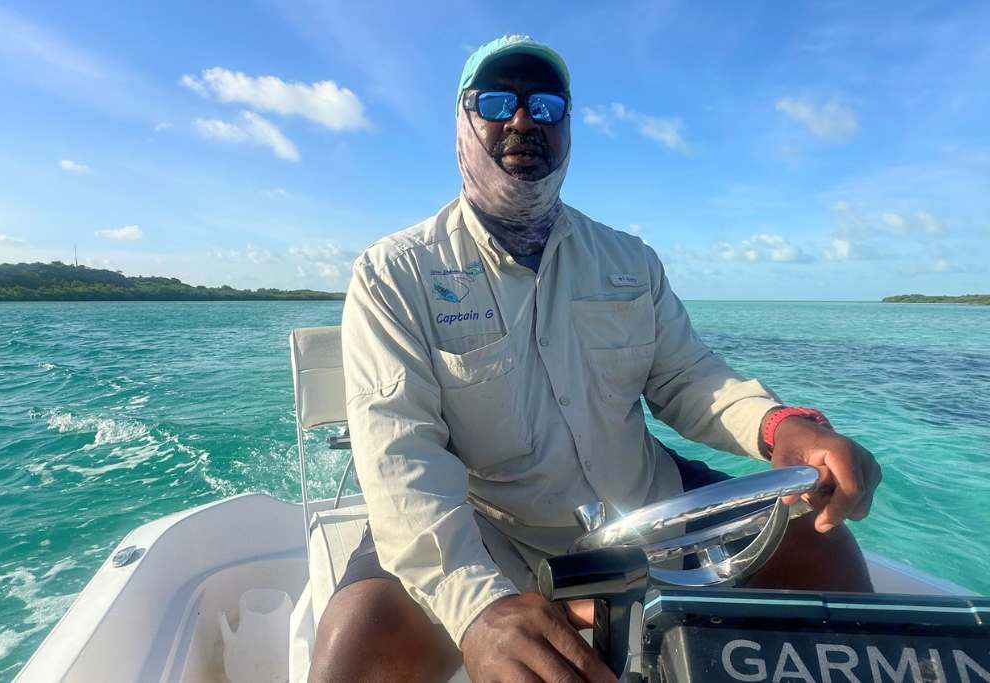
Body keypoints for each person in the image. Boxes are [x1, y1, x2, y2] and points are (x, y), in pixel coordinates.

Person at [310, 35, 882, 683]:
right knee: (355, 654)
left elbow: (688, 376)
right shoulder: (396, 273)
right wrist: (477, 607)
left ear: (568, 125)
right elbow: (401, 455)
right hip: (489, 528)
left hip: (645, 509)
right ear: (462, 122)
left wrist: (783, 426)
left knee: (824, 548)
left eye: (545, 105)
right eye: (495, 102)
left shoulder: (629, 260)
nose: (522, 120)